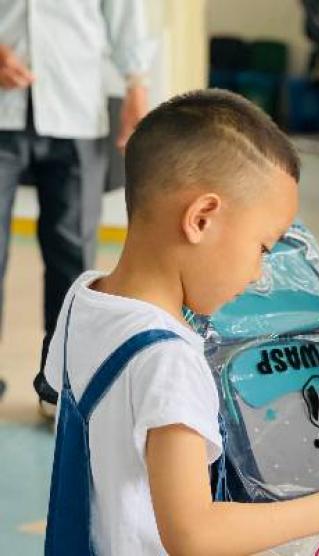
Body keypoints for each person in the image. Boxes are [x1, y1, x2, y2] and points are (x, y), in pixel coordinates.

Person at [43, 90, 319, 555]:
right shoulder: (169, 359)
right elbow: (195, 535)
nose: (258, 275)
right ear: (200, 219)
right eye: (261, 248)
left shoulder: (84, 298)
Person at [0, 0, 153, 415]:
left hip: (76, 106)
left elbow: (125, 10)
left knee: (72, 256)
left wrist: (137, 86)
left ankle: (58, 387)